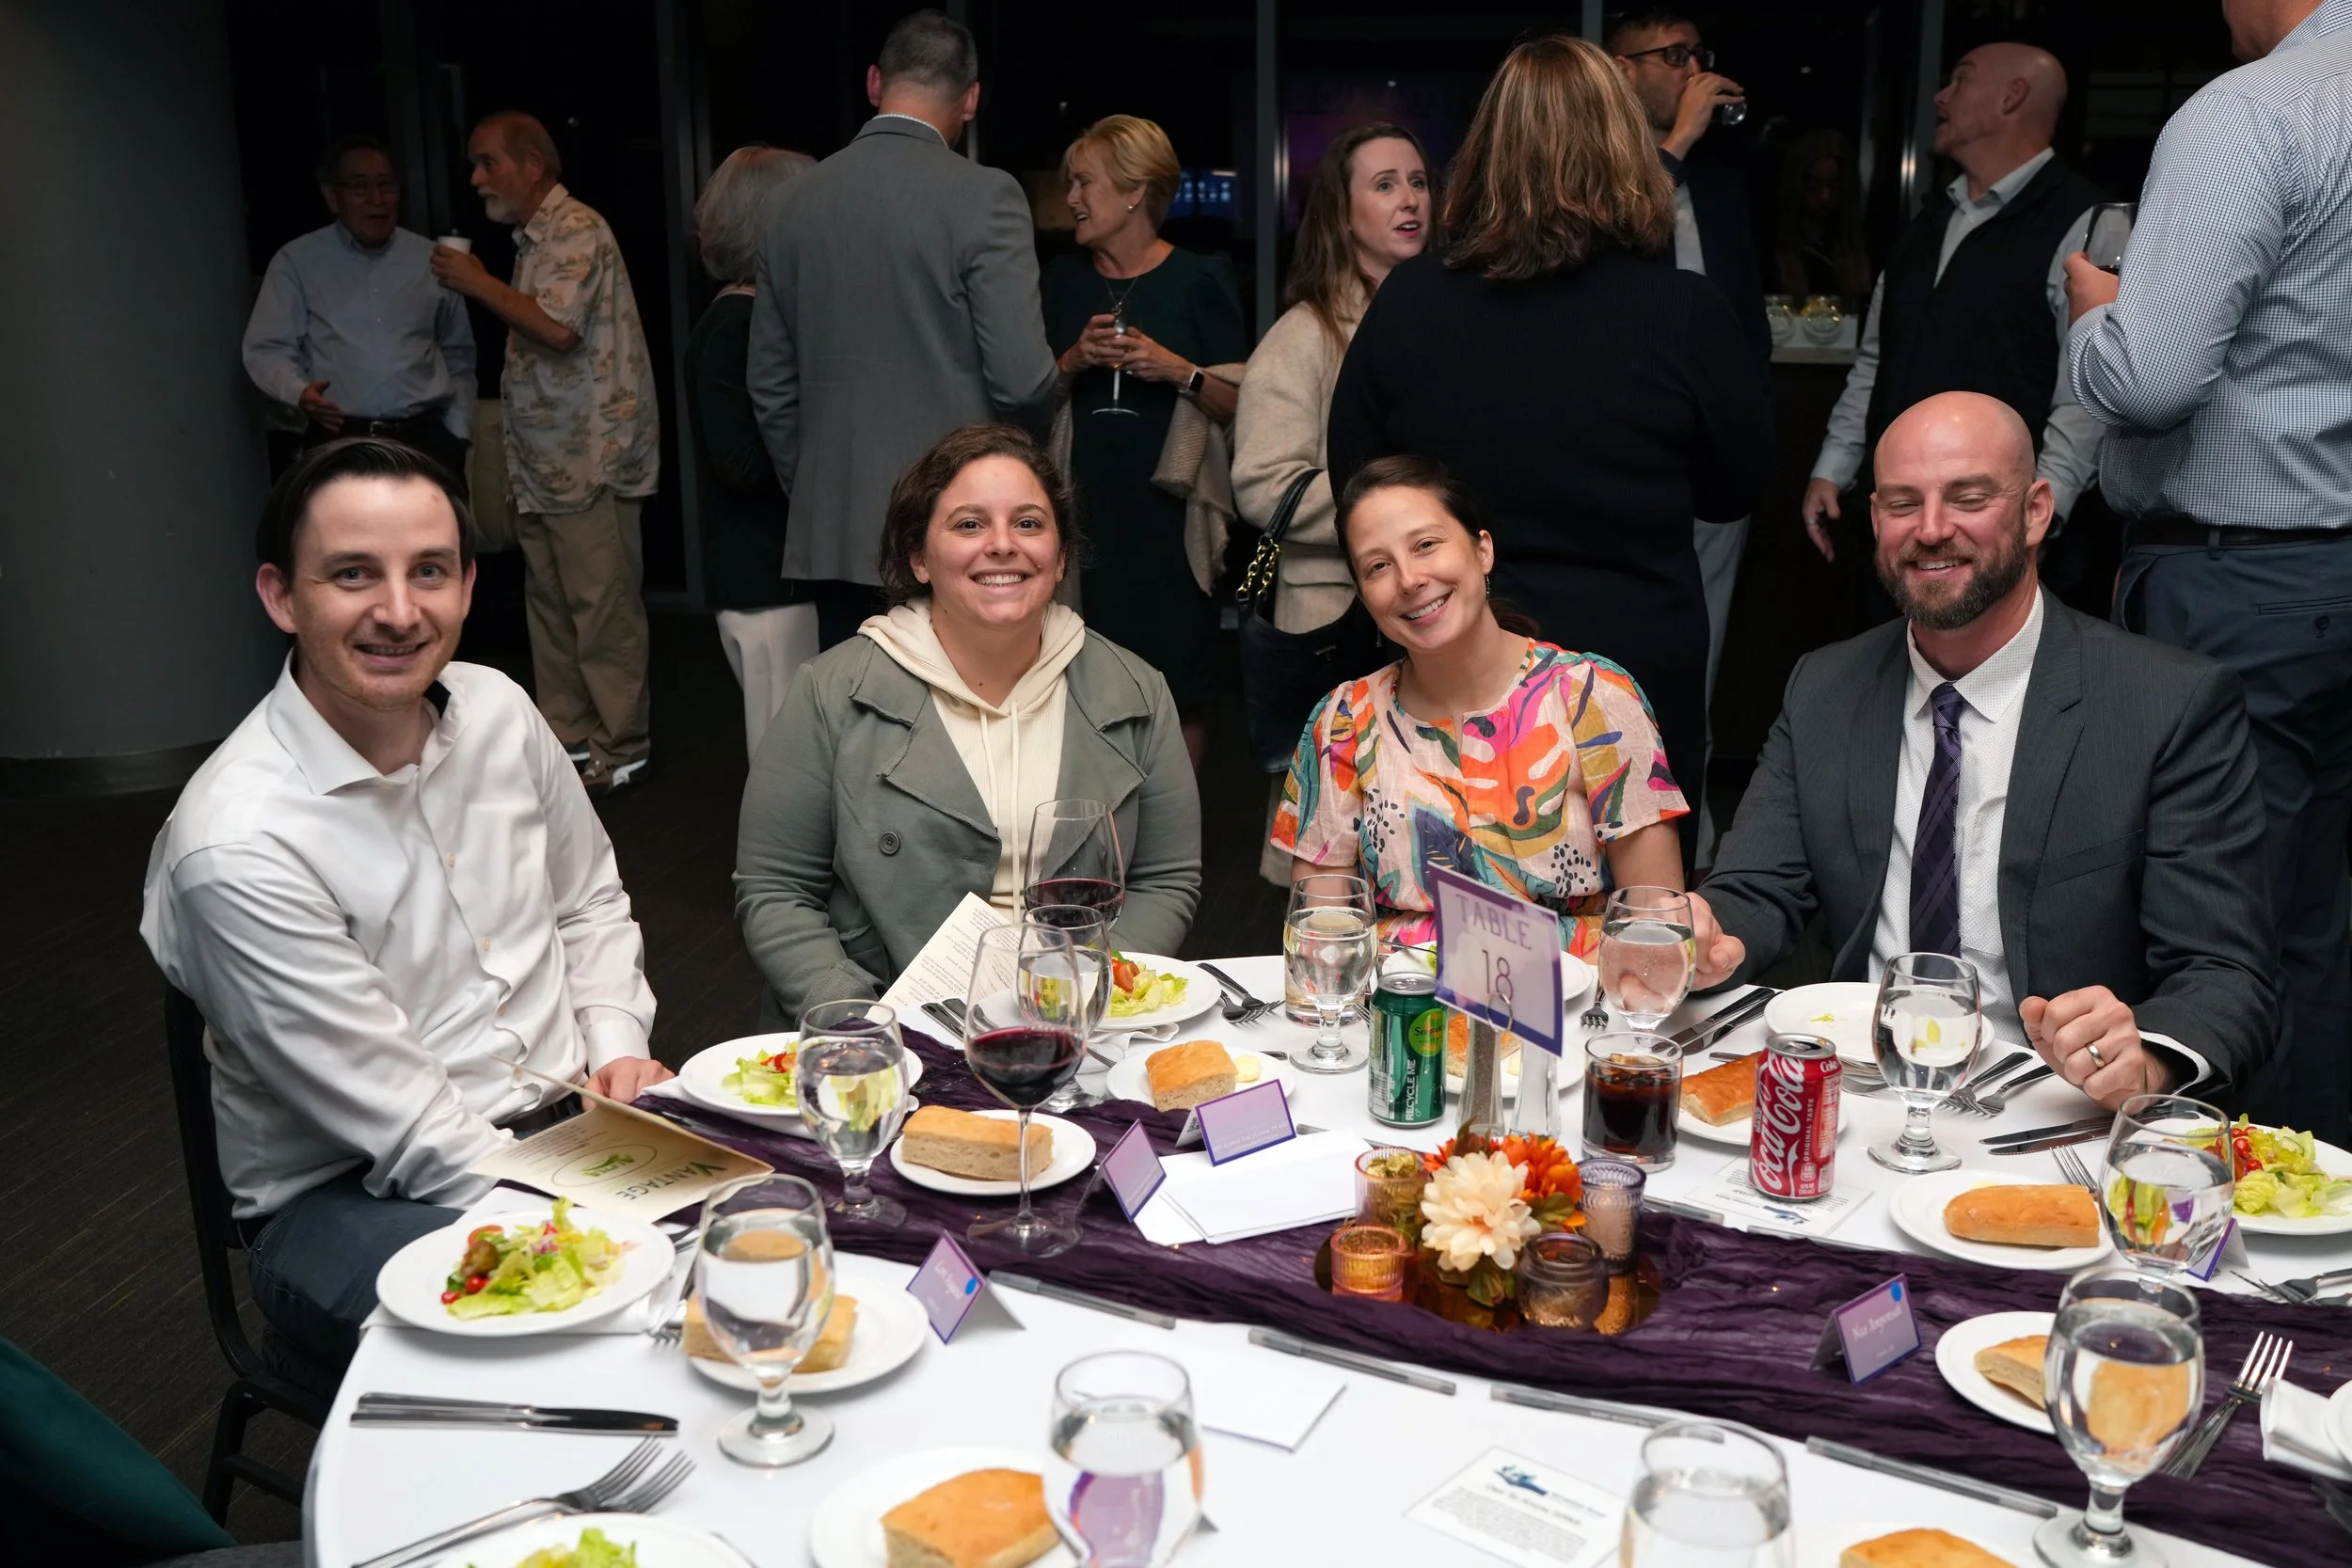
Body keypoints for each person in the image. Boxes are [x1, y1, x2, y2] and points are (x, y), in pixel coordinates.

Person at [139, 438, 670, 1378]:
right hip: (351, 1195)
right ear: (281, 596)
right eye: (353, 573)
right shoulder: (239, 844)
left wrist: (616, 1043)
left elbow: (588, 901)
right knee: (610, 1341)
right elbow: (416, 1135)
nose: (397, 610)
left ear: (466, 587)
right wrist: (615, 1221)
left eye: (428, 571)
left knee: (795, 1231)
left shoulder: (498, 709)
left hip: (568, 1120)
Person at [1689, 393, 2277, 1113]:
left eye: (1968, 498)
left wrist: (2146, 1058)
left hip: (2055, 1109)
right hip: (1864, 1091)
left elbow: (2225, 974)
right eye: (1903, 503)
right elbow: (1755, 892)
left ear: (2035, 511)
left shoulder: (2163, 704)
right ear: (1875, 518)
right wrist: (1701, 934)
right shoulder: (1826, 686)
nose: (1931, 528)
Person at [1329, 33, 1772, 870]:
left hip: (1455, 659)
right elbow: (1734, 486)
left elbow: (1358, 484)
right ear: (1626, 154)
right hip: (1633, 668)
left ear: (1484, 155)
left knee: (1447, 911)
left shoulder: (1410, 302)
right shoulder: (1684, 313)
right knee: (1635, 919)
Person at [2062, 0, 2352, 1141]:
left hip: (2238, 580)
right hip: (2331, 573)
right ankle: (2307, 1192)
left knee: (2212, 932)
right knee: (2312, 919)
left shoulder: (2250, 113)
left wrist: (2094, 317)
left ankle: (2197, 1205)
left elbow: (2150, 378)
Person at [735, 425, 1201, 1022]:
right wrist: (859, 1025)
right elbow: (776, 890)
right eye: (969, 524)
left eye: (1028, 523)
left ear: (1060, 556)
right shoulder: (831, 693)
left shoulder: (1136, 691)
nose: (1002, 544)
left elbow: (1166, 879)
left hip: (1079, 1022)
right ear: (918, 558)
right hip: (889, 1028)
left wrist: (1090, 997)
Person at [1274, 455, 1691, 955]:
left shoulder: (1593, 697)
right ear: (1364, 597)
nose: (1409, 579)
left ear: (1483, 550)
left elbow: (1655, 926)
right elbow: (1320, 940)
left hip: (1579, 995)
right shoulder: (1344, 721)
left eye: (1426, 545)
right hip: (1401, 998)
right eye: (1378, 566)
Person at [748, 8, 1058, 651]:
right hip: (959, 531)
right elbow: (1023, 381)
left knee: (855, 705)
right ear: (970, 99)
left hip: (834, 528)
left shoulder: (790, 203)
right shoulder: (986, 197)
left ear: (874, 83)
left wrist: (822, 487)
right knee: (961, 706)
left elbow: (770, 386)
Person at [1800, 44, 2106, 569]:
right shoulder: (1930, 219)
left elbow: (2087, 394)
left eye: (1961, 80)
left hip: (2002, 536)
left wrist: (2044, 514)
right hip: (1901, 525)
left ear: (2012, 96)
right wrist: (1834, 467)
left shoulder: (2085, 222)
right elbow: (1877, 360)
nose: (1940, 96)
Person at [431, 111, 660, 797]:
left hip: (590, 460)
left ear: (533, 165)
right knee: (553, 608)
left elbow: (558, 330)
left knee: (601, 608)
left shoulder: (575, 227)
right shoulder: (534, 239)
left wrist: (475, 280)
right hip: (543, 462)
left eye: (488, 163)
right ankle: (570, 738)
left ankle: (622, 747)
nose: (477, 178)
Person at [1232, 121, 1432, 881]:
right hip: (1332, 624)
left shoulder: (1443, 323)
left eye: (1418, 181)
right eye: (1384, 185)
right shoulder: (1306, 333)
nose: (1410, 199)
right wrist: (1389, 516)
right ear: (1342, 216)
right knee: (1333, 852)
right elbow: (1264, 482)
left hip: (1426, 618)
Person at [1610, 8, 1772, 863]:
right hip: (1626, 443)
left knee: (1699, 649)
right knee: (1624, 647)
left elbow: (1742, 302)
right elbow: (1614, 251)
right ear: (1622, 70)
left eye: (1696, 54)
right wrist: (1675, 142)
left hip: (1711, 440)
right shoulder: (1604, 168)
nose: (1691, 69)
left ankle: (1691, 836)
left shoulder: (1721, 172)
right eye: (1671, 56)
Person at [1042, 115, 1250, 768]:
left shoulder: (1200, 279)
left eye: (1084, 183)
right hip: (1080, 516)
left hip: (1170, 523)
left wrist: (1177, 370)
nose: (1072, 198)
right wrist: (1072, 360)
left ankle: (1173, 829)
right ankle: (1098, 825)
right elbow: (1018, 403)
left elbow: (1242, 406)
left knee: (1179, 689)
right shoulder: (1061, 281)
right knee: (1078, 685)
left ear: (1135, 192)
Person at [688, 145, 819, 758]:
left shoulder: (750, 316)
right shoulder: (735, 325)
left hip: (774, 575)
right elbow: (741, 464)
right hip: (764, 578)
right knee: (782, 760)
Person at [242, 135, 476, 479]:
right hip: (339, 437)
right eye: (360, 187)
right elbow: (266, 348)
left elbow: (459, 355)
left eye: (386, 185)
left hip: (425, 439)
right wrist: (299, 392)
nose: (376, 199)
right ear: (331, 196)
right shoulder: (298, 261)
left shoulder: (432, 260)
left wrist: (458, 434)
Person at [1772, 128, 1872, 308]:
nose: (1825, 197)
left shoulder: (1864, 248)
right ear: (1797, 187)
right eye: (1813, 186)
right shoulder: (1770, 254)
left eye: (1835, 186)